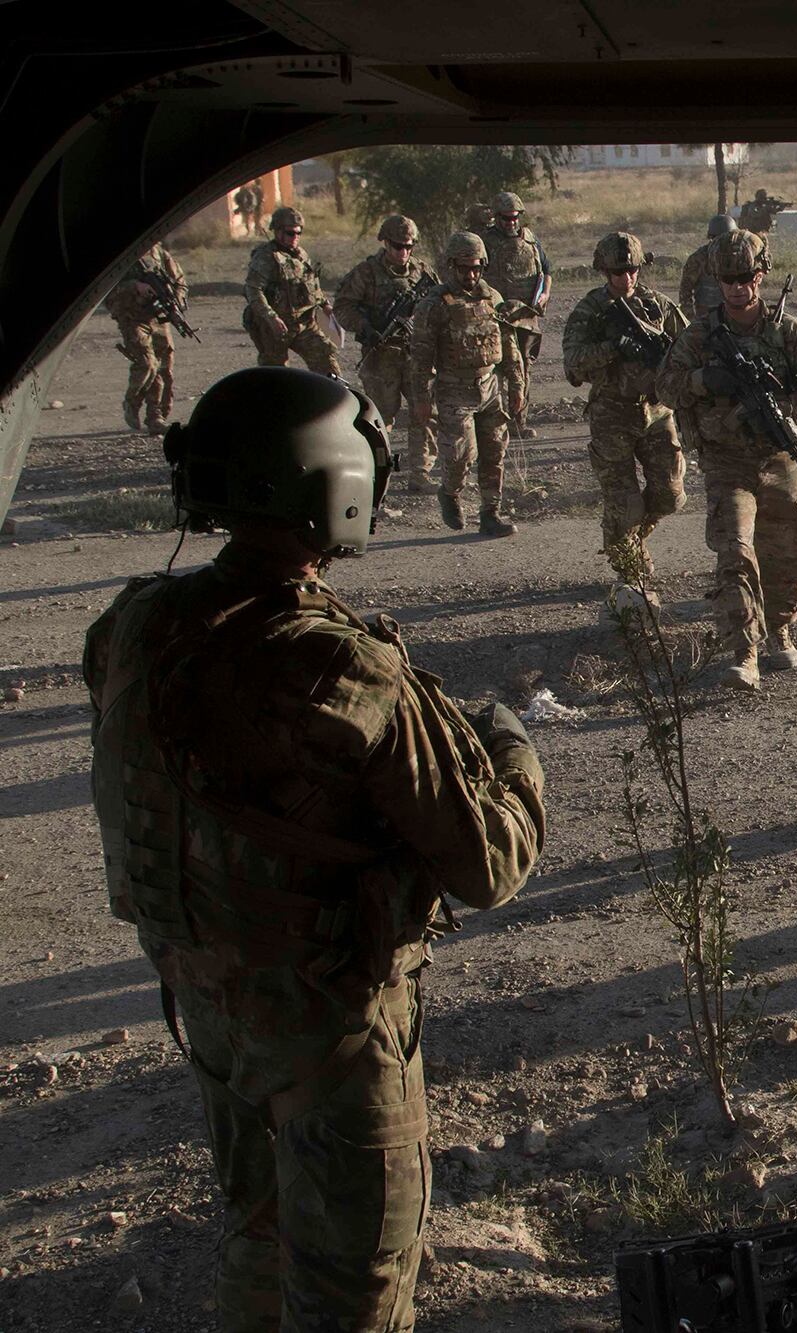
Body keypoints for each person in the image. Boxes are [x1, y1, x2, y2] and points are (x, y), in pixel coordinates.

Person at [84, 366, 545, 1331]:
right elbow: (489, 865)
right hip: (333, 1036)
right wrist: (511, 751)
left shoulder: (133, 623)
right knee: (353, 1294)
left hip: (213, 1016)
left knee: (258, 1236)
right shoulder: (348, 665)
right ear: (332, 487)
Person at [662, 230, 797, 691]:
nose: (739, 287)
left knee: (786, 552)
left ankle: (778, 627)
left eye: (747, 277)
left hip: (778, 457)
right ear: (718, 281)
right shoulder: (701, 335)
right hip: (726, 463)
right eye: (729, 279)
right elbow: (666, 385)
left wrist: (783, 415)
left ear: (760, 276)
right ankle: (744, 650)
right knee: (734, 551)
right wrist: (705, 379)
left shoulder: (786, 331)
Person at [563, 231, 688, 591]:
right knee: (623, 501)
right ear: (604, 271)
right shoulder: (591, 310)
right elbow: (573, 365)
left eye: (632, 270)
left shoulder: (658, 306)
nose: (626, 278)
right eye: (618, 272)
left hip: (657, 412)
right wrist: (613, 346)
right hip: (611, 415)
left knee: (670, 494)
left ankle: (633, 538)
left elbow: (689, 346)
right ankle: (627, 566)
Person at [408, 231, 522, 537]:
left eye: (475, 267)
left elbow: (509, 346)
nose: (470, 274)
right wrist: (420, 399)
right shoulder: (435, 305)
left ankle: (490, 513)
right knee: (460, 454)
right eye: (463, 268)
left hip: (490, 385)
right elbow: (419, 358)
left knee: (494, 449)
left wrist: (517, 386)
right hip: (454, 389)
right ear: (451, 266)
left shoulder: (493, 299)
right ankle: (450, 492)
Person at [333, 215, 439, 491]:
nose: (403, 252)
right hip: (381, 356)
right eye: (396, 246)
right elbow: (343, 307)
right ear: (385, 242)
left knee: (424, 413)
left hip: (416, 355)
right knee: (380, 421)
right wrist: (365, 327)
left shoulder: (422, 272)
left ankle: (420, 473)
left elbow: (440, 304)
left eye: (408, 246)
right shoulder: (366, 273)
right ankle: (376, 477)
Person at [479, 191, 552, 438]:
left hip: (526, 316)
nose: (511, 223)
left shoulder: (531, 241)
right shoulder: (484, 242)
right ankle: (495, 424)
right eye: (505, 218)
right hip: (495, 318)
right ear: (496, 217)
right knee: (496, 370)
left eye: (514, 218)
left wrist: (544, 296)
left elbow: (547, 271)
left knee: (523, 371)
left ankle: (519, 423)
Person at [242, 206, 339, 377]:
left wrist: (324, 304)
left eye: (298, 233)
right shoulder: (266, 257)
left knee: (326, 361)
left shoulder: (301, 255)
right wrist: (271, 317)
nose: (295, 237)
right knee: (276, 375)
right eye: (290, 233)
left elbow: (312, 284)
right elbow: (253, 289)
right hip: (275, 328)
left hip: (305, 323)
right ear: (277, 232)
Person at [104, 241, 188, 435]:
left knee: (164, 369)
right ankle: (132, 402)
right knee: (147, 364)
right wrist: (135, 287)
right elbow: (106, 292)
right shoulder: (120, 258)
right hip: (131, 318)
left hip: (158, 316)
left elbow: (180, 280)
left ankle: (156, 417)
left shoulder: (158, 253)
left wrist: (176, 301)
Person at [679, 214, 738, 322]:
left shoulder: (739, 257)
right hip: (706, 319)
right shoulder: (699, 258)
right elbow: (685, 290)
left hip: (734, 317)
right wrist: (690, 319)